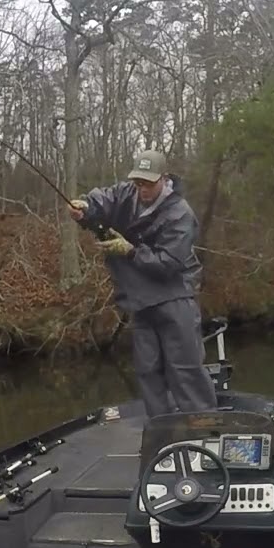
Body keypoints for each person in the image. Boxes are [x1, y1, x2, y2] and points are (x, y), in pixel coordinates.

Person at [69, 149, 218, 417]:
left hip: (175, 298)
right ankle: (162, 431)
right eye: (139, 183)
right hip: (141, 301)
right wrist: (85, 208)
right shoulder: (128, 194)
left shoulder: (180, 215)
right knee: (148, 370)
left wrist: (129, 250)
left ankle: (202, 429)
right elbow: (105, 200)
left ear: (163, 178)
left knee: (185, 370)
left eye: (149, 183)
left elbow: (168, 264)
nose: (143, 189)